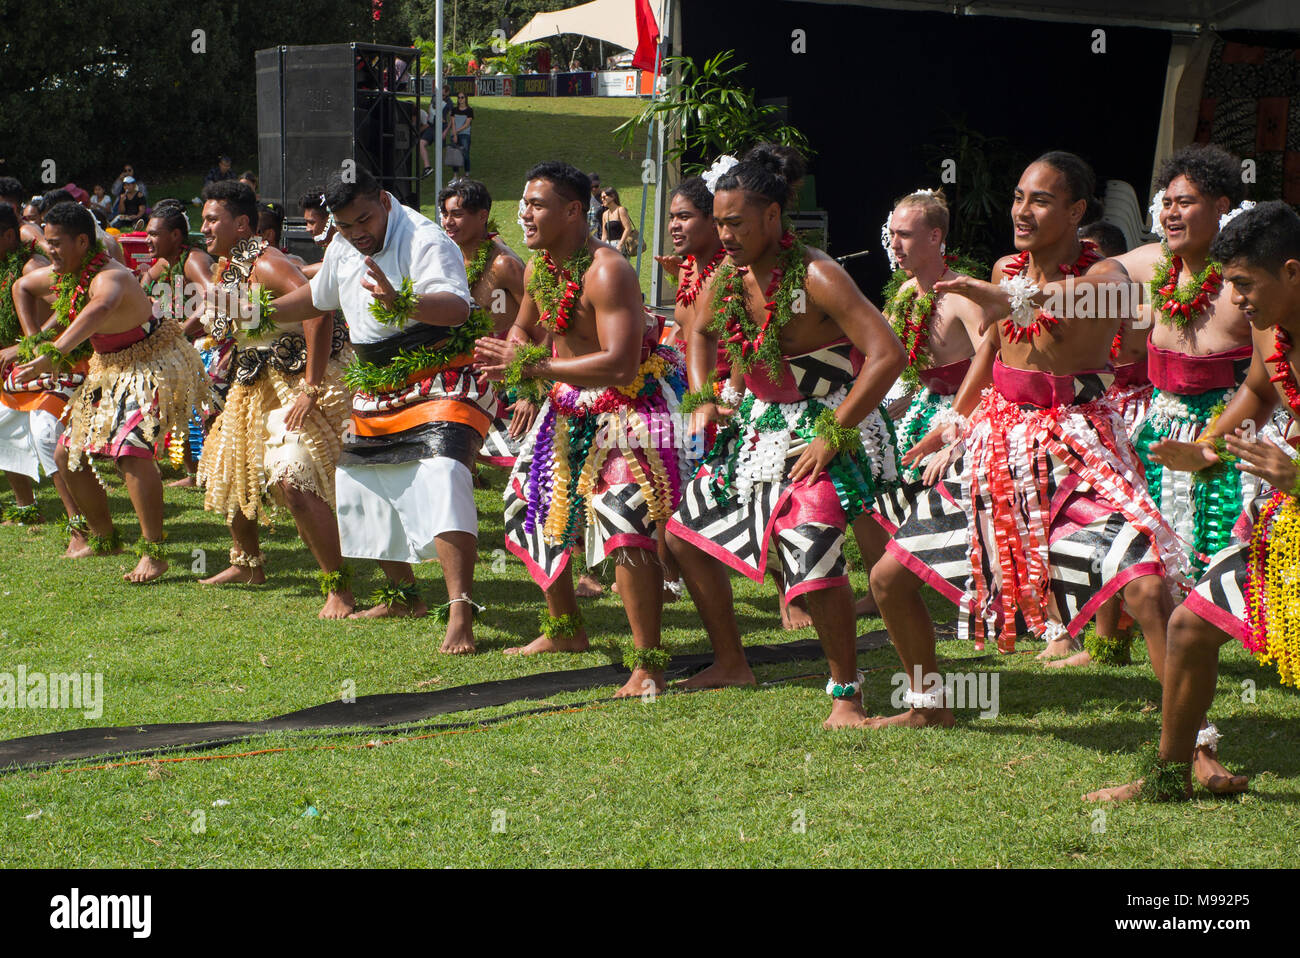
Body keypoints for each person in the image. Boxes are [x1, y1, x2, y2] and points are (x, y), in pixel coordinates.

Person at [865, 152, 1188, 728]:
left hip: (1072, 445)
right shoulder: (1004, 270)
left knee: (1142, 585)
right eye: (1018, 197)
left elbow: (1083, 304)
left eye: (1040, 200)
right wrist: (956, 419)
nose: (1022, 210)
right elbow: (991, 348)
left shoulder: (1105, 277)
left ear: (1076, 210)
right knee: (888, 578)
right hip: (996, 439)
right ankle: (928, 703)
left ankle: (1190, 742)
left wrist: (1007, 298)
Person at [665, 145, 907, 726]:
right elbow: (697, 331)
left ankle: (847, 692)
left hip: (827, 422)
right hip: (758, 424)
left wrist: (832, 433)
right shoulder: (729, 273)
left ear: (773, 218)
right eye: (718, 223)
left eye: (736, 224)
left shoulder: (818, 274)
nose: (724, 235)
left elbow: (886, 353)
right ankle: (731, 661)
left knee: (811, 551)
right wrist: (700, 400)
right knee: (682, 535)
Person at [1087, 201, 1300, 802]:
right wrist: (1207, 449)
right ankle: (1169, 776)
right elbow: (1260, 389)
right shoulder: (1269, 325)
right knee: (1188, 626)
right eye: (1229, 283)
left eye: (1244, 284)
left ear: (1292, 271)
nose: (1236, 299)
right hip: (1288, 522)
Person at [474, 161, 687, 692]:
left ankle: (649, 663)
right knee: (526, 505)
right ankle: (565, 628)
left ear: (573, 210)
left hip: (629, 406)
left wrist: (533, 368)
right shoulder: (540, 268)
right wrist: (516, 354)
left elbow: (618, 363)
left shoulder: (607, 270)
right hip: (568, 404)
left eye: (537, 204)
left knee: (623, 521)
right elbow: (525, 327)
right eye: (523, 203)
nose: (524, 213)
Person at [271, 166, 495, 653]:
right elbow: (319, 296)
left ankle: (460, 610)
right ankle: (402, 595)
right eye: (346, 226)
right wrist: (261, 312)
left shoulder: (425, 239)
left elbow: (457, 308)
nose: (357, 234)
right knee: (365, 484)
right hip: (376, 381)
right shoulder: (342, 246)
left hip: (440, 374)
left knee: (442, 474)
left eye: (364, 221)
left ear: (385, 200)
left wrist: (402, 303)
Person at [7, 201, 210, 583]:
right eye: (46, 242)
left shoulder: (110, 277)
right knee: (68, 451)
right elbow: (22, 287)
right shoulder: (66, 273)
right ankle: (104, 537)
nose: (48, 250)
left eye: (56, 243)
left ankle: (154, 552)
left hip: (152, 364)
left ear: (83, 241)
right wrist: (34, 341)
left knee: (131, 452)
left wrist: (53, 354)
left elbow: (97, 311)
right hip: (110, 368)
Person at [191, 180, 354, 618]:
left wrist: (311, 387)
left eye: (212, 219)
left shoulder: (266, 263)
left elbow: (319, 308)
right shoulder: (229, 268)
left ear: (241, 224)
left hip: (293, 383)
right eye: (203, 218)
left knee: (292, 477)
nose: (203, 227)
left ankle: (338, 587)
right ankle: (247, 564)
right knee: (232, 469)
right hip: (250, 384)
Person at [438, 179, 528, 473]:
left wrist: (532, 387)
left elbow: (543, 322)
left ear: (482, 215)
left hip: (508, 374)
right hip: (466, 368)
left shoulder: (503, 265)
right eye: (445, 214)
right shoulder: (448, 259)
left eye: (458, 214)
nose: (448, 222)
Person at [0, 203, 51, 524]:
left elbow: (73, 305)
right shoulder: (5, 263)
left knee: (52, 442)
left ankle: (84, 522)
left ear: (8, 235)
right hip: (15, 367)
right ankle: (26, 508)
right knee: (7, 433)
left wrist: (27, 345)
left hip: (50, 365)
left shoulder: (32, 267)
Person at [599, 187, 634, 255]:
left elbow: (628, 228)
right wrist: (601, 247)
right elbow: (604, 235)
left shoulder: (621, 210)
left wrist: (620, 244)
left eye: (604, 197)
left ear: (612, 197)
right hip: (608, 245)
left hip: (619, 244)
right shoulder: (605, 214)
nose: (602, 199)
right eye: (601, 198)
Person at [450, 93, 474, 175]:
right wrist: (454, 134)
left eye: (462, 97)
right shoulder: (454, 110)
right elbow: (453, 123)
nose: (460, 99)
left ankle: (467, 173)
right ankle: (455, 174)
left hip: (464, 134)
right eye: (459, 97)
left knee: (465, 154)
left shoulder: (469, 110)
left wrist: (456, 131)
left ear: (465, 99)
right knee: (455, 155)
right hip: (455, 133)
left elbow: (467, 124)